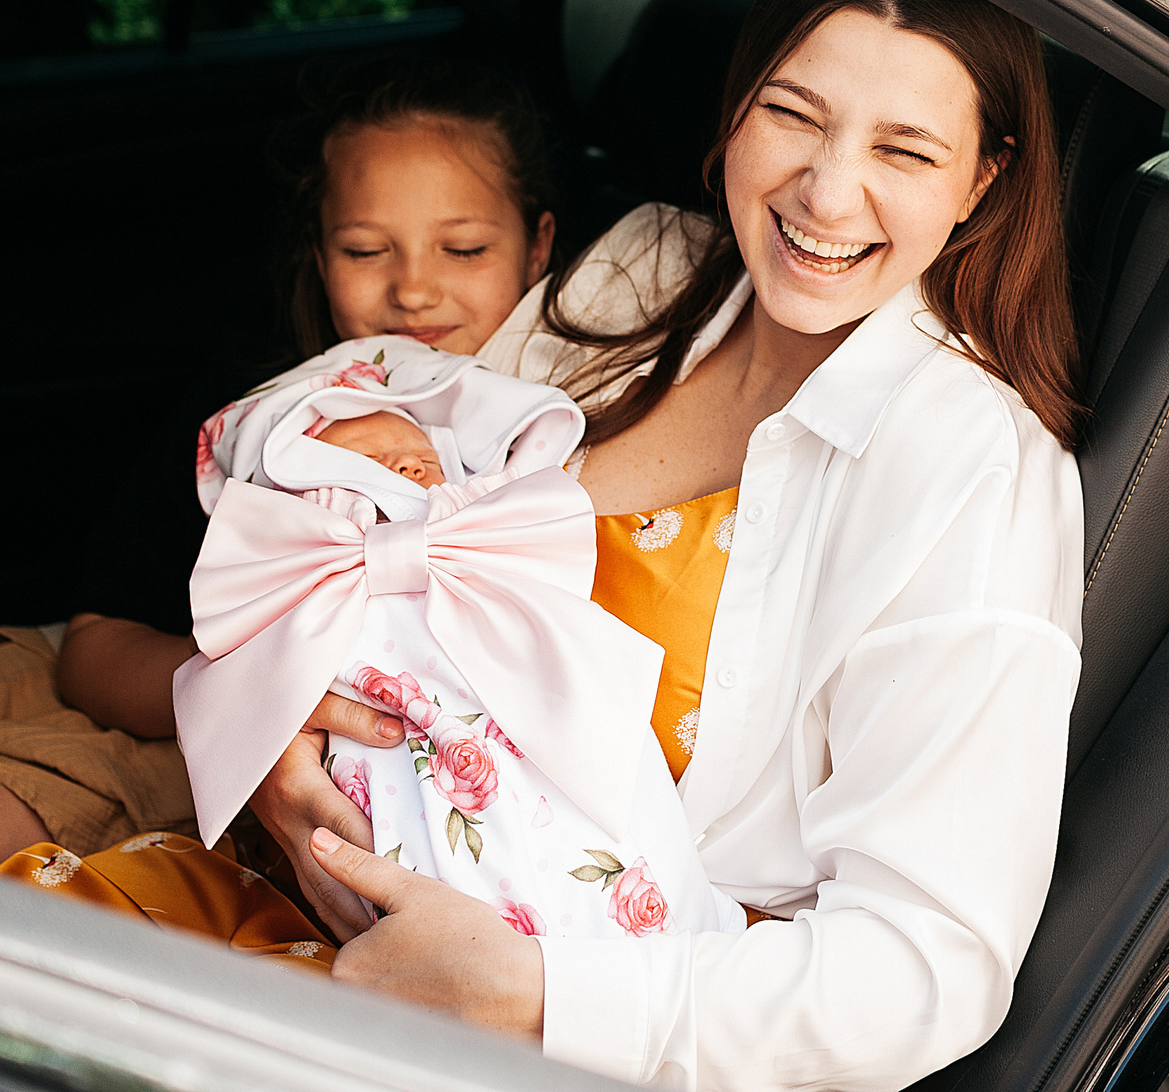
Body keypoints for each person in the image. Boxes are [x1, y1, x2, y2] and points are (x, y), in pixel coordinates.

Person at [54, 0, 1087, 1092]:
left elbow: (922, 974)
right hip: (330, 892)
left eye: (904, 148)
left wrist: (534, 999)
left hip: (583, 1029)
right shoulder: (641, 270)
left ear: (983, 180)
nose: (826, 191)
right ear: (737, 108)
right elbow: (384, 556)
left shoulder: (971, 468)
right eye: (793, 114)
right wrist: (287, 736)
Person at [0, 57, 557, 868]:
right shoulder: (259, 401)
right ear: (318, 255)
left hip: (245, 749)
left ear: (540, 247)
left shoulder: (547, 435)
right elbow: (94, 649)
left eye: (465, 249)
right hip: (131, 668)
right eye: (365, 250)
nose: (413, 287)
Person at [163, 333, 740, 941]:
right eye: (371, 464)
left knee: (616, 827)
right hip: (390, 736)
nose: (407, 466)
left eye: (420, 453)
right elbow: (234, 672)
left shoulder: (494, 521)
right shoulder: (305, 565)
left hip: (531, 712)